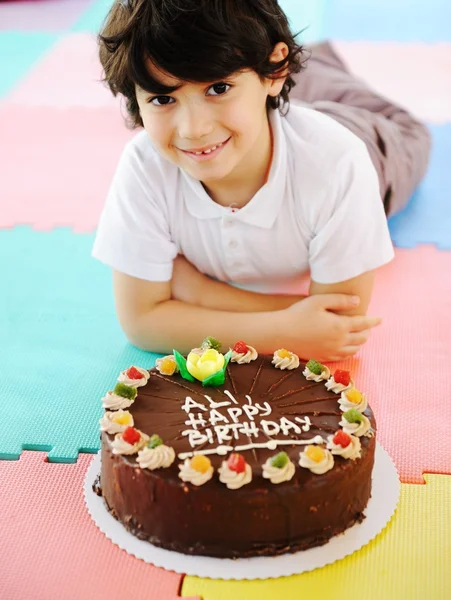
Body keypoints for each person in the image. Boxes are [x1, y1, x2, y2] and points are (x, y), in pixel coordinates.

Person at [92, 0, 430, 361]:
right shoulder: (145, 167)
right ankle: (288, 69)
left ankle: (304, 63)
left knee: (402, 127)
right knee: (267, 90)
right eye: (162, 98)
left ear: (275, 71)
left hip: (368, 137)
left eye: (218, 88)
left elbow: (338, 323)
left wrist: (197, 293)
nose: (194, 129)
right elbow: (141, 323)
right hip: (263, 115)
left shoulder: (339, 163)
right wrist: (286, 330)